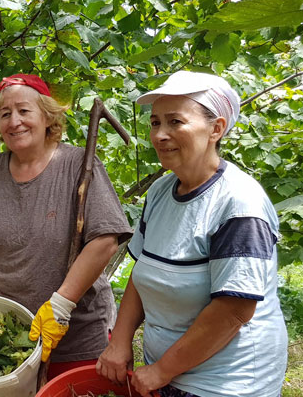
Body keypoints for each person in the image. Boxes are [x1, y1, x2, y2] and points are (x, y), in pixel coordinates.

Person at [96, 71, 288, 397]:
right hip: (167, 371)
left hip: (226, 382)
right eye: (155, 123)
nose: (160, 134)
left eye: (175, 122)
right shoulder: (160, 192)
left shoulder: (238, 204)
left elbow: (234, 310)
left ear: (216, 128)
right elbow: (144, 272)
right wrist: (121, 341)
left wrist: (161, 371)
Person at [0, 74, 133, 379]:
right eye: (4, 114)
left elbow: (105, 240)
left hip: (77, 335)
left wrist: (61, 305)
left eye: (24, 111)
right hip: (9, 336)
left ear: (48, 117)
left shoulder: (78, 165)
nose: (14, 121)